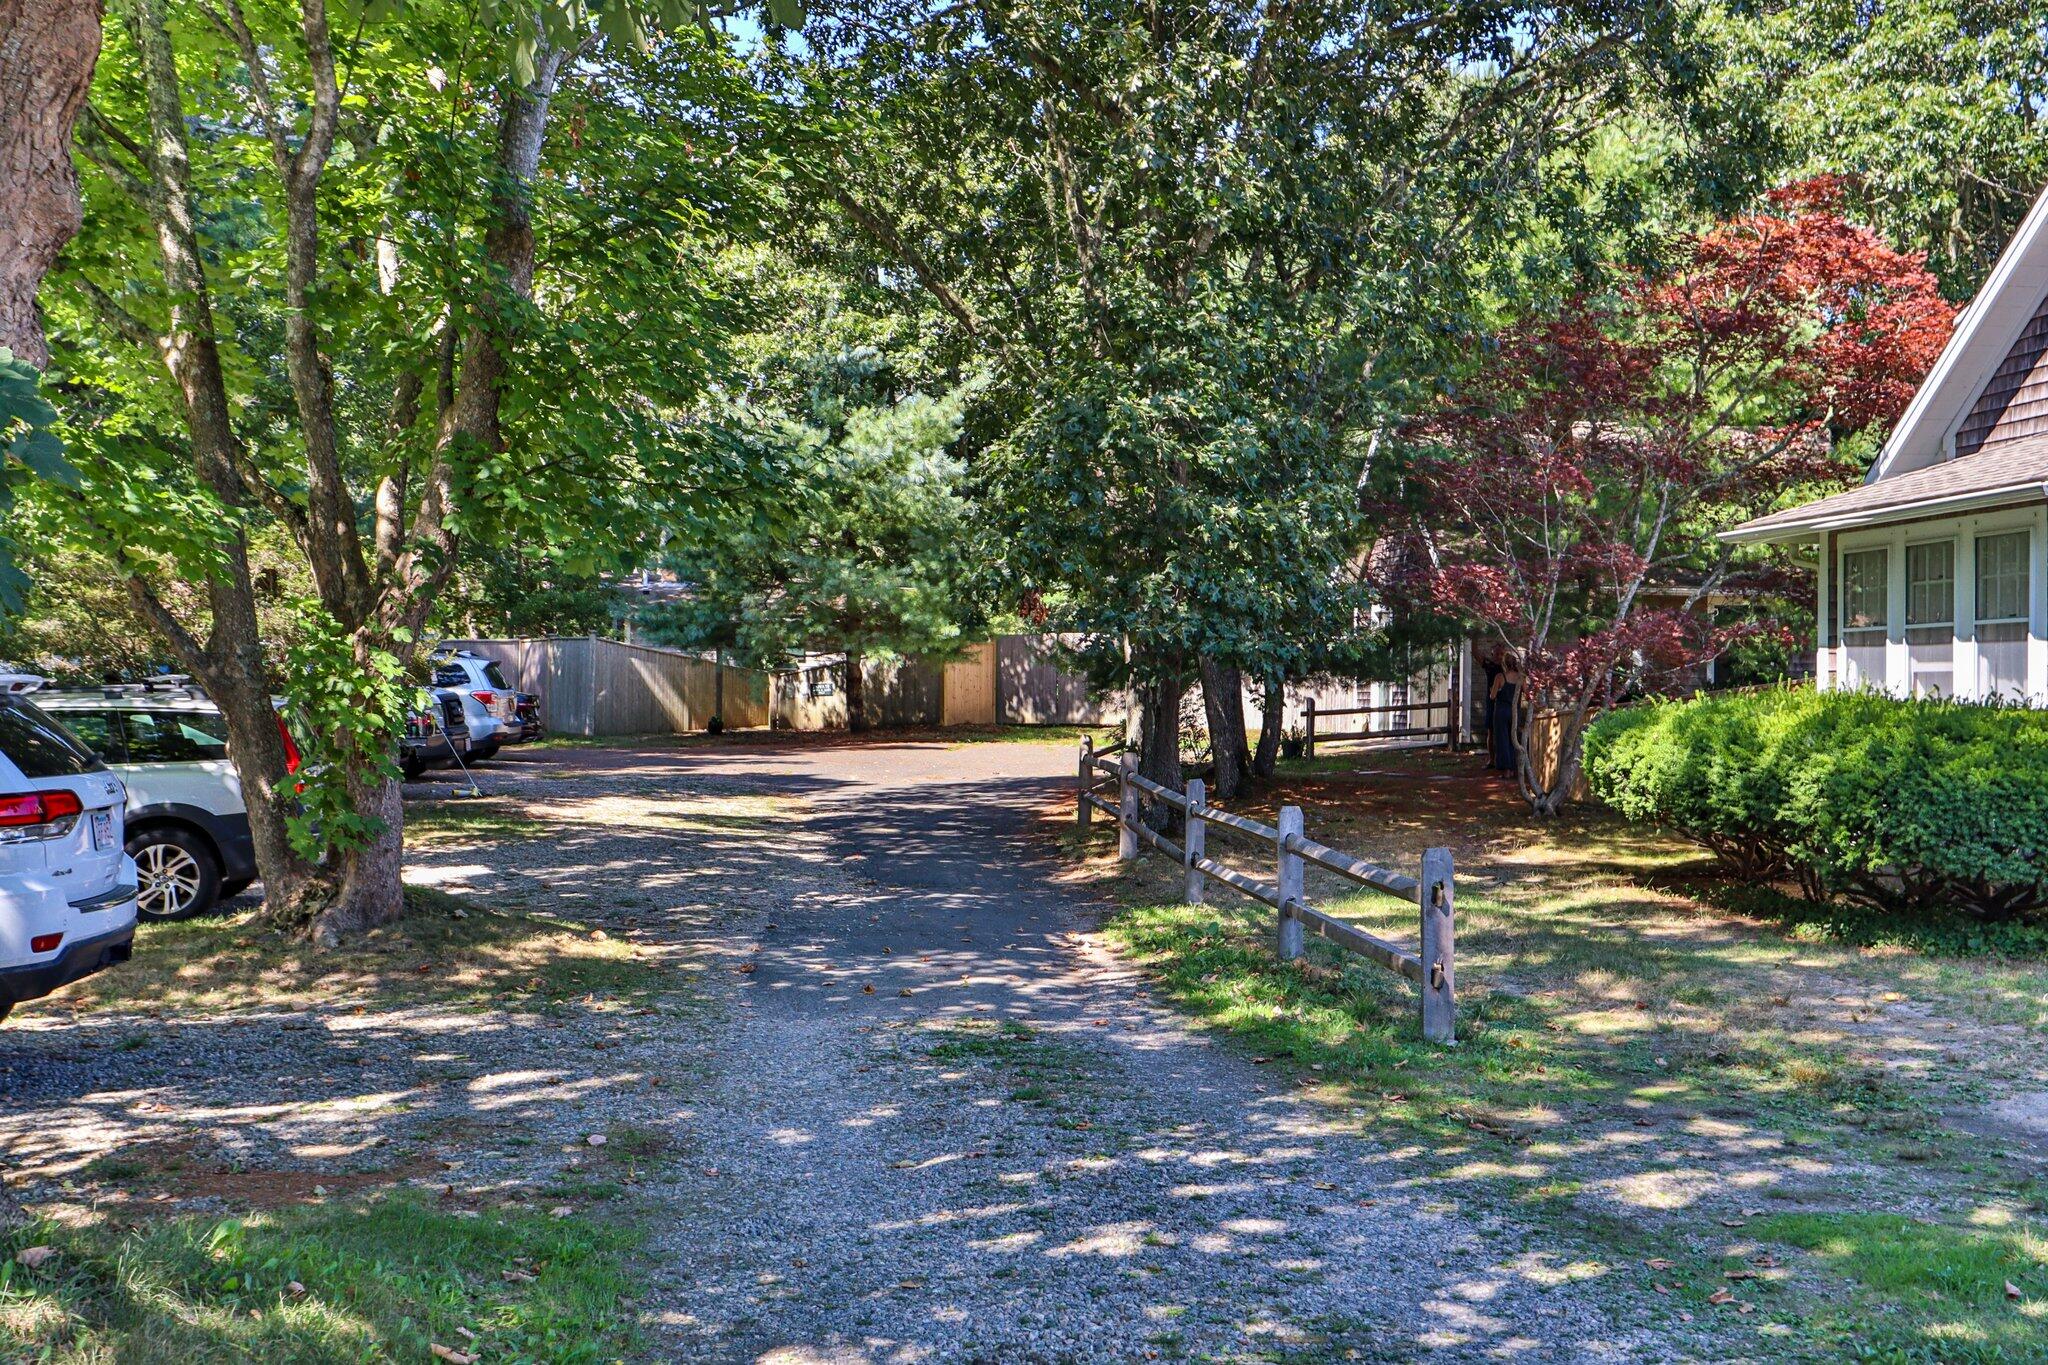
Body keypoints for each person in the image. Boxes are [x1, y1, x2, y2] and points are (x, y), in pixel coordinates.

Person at [1489, 650, 1521, 774]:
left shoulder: (1500, 677)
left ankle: (1506, 769)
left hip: (1501, 711)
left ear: (1504, 664)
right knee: (1513, 739)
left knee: (1502, 739)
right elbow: (1528, 694)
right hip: (1515, 711)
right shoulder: (1520, 677)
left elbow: (1492, 696)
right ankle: (1513, 768)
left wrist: (1492, 690)